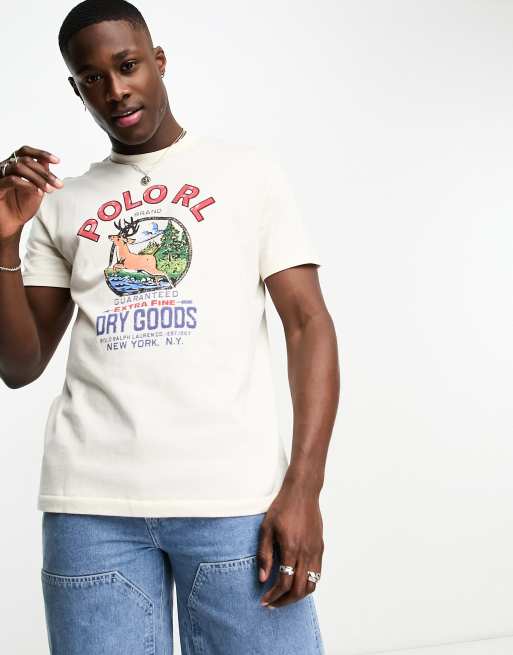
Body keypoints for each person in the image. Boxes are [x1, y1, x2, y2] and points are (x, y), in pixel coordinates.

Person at [0, 0, 340, 653]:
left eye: (127, 66)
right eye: (92, 78)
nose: (114, 90)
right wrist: (3, 241)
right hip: (90, 508)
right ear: (76, 89)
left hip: (233, 500)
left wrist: (305, 486)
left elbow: (307, 324)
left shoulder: (247, 173)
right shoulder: (61, 203)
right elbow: (19, 365)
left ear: (157, 62)